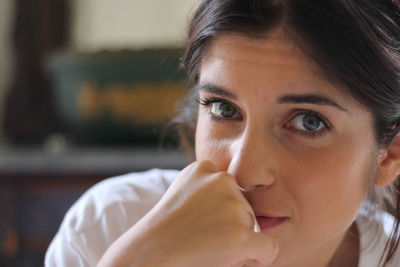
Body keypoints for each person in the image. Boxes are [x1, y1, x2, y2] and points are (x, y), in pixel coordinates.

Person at [45, 0, 400, 266]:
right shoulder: (110, 225)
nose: (242, 172)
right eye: (224, 109)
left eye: (308, 122)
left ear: (390, 153)